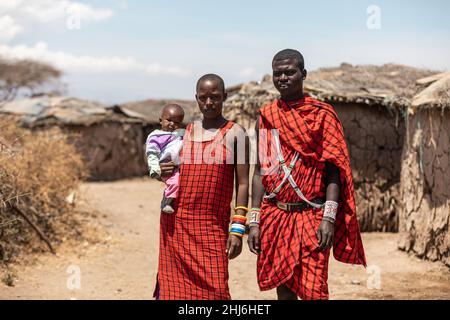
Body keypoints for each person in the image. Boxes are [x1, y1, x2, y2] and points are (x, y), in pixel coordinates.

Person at [247, 49, 366, 300]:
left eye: (289, 72)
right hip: (276, 216)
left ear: (303, 74)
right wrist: (254, 220)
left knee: (314, 290)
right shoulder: (268, 116)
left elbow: (335, 171)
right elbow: (261, 171)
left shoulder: (322, 115)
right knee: (283, 286)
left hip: (312, 216)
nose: (283, 78)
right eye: (277, 73)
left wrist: (329, 218)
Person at [154, 74, 250, 300]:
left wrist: (237, 229)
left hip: (211, 226)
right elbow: (169, 171)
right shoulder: (184, 133)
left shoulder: (236, 134)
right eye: (203, 98)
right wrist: (163, 171)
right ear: (196, 98)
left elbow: (244, 183)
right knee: (174, 290)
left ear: (225, 97)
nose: (209, 103)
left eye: (215, 97)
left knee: (216, 290)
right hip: (176, 224)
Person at [146, 104, 185, 213]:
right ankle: (166, 202)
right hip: (167, 166)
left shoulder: (179, 134)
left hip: (179, 166)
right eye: (169, 120)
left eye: (177, 122)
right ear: (160, 120)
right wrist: (155, 168)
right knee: (175, 182)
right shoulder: (156, 136)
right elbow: (152, 153)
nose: (172, 124)